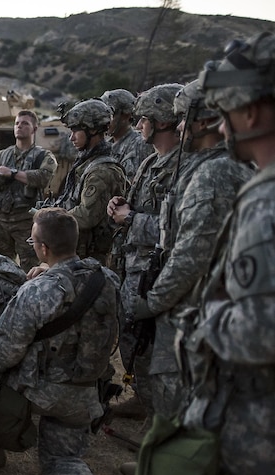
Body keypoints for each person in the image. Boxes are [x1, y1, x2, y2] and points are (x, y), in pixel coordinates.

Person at [187, 31, 275, 475]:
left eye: (227, 111)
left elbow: (262, 332)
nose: (220, 126)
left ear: (251, 111)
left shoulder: (266, 202)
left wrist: (209, 317)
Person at [0, 208, 121, 475]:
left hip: (37, 392)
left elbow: (6, 353)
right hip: (86, 393)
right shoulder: (107, 278)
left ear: (43, 249)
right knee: (63, 460)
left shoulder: (38, 291)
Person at [123, 81, 253, 419]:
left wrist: (152, 302)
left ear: (204, 121)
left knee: (182, 403)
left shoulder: (215, 173)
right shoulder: (209, 166)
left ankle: (172, 466)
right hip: (202, 304)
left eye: (184, 118)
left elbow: (190, 255)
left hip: (198, 308)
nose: (179, 125)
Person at [107, 83, 186, 416]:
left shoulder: (184, 169)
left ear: (163, 121)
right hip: (134, 267)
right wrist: (121, 207)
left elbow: (182, 229)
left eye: (145, 118)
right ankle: (142, 397)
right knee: (132, 336)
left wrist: (132, 219)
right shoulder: (151, 162)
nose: (139, 124)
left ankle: (159, 416)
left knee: (157, 348)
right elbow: (141, 208)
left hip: (159, 273)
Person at [0, 110, 58, 270]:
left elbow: (44, 177)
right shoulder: (1, 155)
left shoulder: (43, 156)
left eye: (25, 123)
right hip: (0, 222)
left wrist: (14, 173)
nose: (19, 126)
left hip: (27, 224)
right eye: (17, 123)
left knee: (30, 268)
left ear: (34, 129)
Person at [46, 99, 128, 264]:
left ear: (93, 131)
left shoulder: (101, 171)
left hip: (94, 259)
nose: (71, 138)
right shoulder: (86, 163)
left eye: (76, 131)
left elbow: (87, 216)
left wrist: (53, 217)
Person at [100, 89, 154, 184]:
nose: (105, 121)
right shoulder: (104, 148)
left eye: (110, 116)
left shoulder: (141, 144)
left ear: (126, 115)